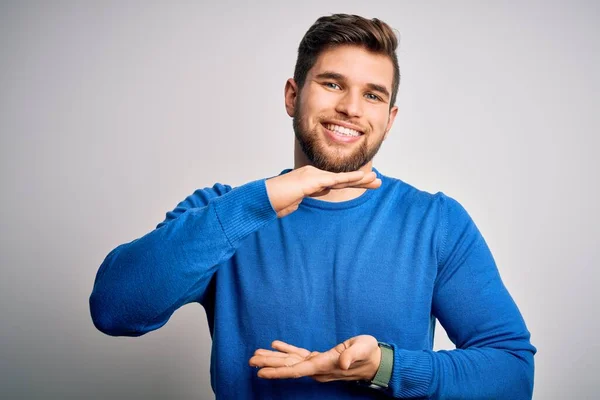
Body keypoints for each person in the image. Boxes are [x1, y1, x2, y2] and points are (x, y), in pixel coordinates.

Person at [90, 14, 536, 399]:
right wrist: (258, 202)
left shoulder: (436, 223)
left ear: (390, 119)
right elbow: (114, 310)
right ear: (292, 95)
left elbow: (513, 374)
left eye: (373, 95)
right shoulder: (224, 211)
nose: (350, 108)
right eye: (331, 84)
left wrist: (384, 367)